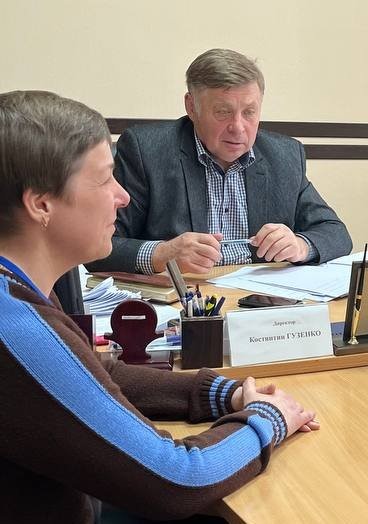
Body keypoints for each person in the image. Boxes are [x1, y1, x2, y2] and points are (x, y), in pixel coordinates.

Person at [0, 90, 321, 522]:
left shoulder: (17, 286)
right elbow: (178, 479)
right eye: (105, 179)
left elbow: (93, 375)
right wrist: (269, 419)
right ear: (41, 204)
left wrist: (221, 393)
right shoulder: (15, 325)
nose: (122, 197)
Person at [86, 48, 351, 275]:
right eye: (223, 112)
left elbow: (335, 233)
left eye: (249, 112)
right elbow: (96, 247)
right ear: (192, 107)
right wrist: (162, 254)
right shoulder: (147, 151)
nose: (238, 127)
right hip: (187, 302)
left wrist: (300, 245)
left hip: (259, 303)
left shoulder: (284, 155)